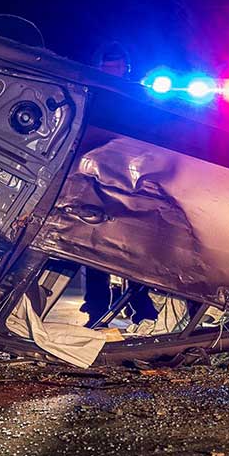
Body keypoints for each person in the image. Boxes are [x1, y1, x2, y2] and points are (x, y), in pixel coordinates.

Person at [80, 42, 158, 328]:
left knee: (133, 247)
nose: (113, 72)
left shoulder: (136, 98)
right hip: (95, 180)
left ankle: (142, 306)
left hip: (130, 182)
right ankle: (98, 308)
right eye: (108, 68)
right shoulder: (90, 96)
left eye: (118, 67)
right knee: (92, 245)